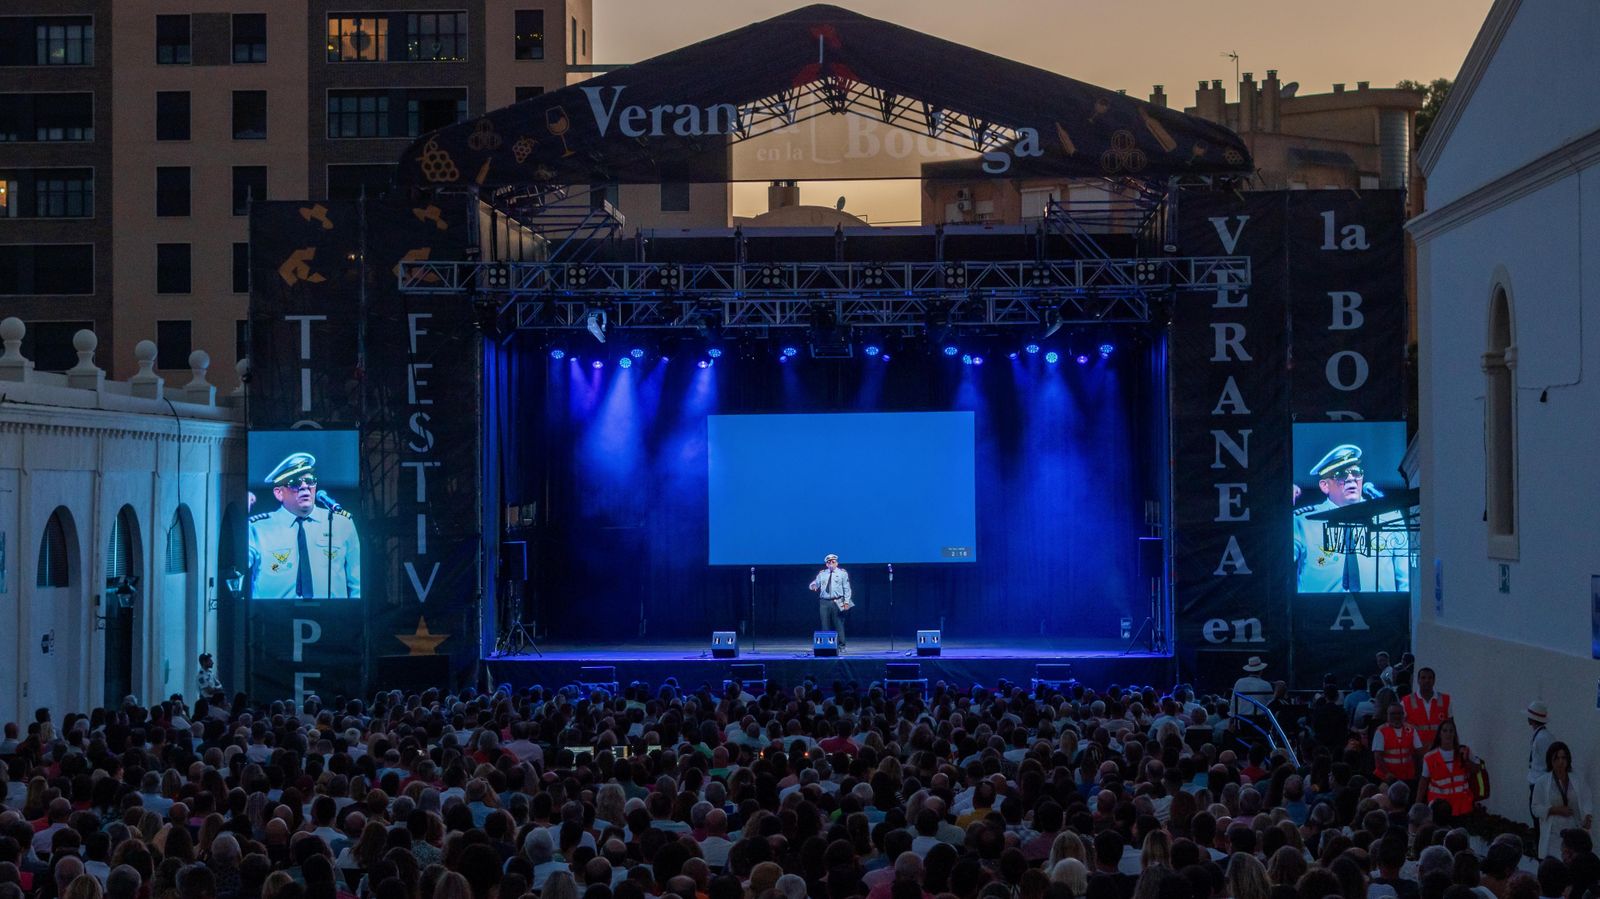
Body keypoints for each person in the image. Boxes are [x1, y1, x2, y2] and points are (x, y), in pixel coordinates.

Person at [1293, 444, 1409, 592]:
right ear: (1325, 486)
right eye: (1341, 475)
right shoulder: (1304, 521)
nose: (1351, 479)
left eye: (1356, 472)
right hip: (1320, 611)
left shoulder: (1388, 517)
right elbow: (1278, 564)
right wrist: (1280, 510)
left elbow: (1406, 579)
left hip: (1381, 611)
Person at [248, 452, 360, 599]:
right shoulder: (258, 528)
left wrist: (352, 617)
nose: (305, 487)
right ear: (279, 493)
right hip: (275, 617)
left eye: (310, 480)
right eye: (295, 483)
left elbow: (357, 582)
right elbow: (237, 572)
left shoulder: (341, 524)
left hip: (331, 616)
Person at [1533, 742, 1592, 861]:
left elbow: (1586, 800)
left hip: (1573, 831)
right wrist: (1554, 810)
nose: (1561, 762)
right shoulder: (1542, 782)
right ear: (1551, 760)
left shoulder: (1577, 779)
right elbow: (1535, 808)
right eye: (1557, 758)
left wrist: (1587, 816)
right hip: (1553, 835)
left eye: (1563, 758)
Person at [1418, 718, 1477, 821]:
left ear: (1455, 734)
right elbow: (1424, 781)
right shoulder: (1430, 757)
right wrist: (1418, 803)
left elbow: (1476, 770)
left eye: (1451, 731)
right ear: (1439, 734)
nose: (1448, 734)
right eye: (1445, 731)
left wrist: (1466, 760)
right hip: (1439, 807)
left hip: (1462, 806)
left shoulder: (1464, 751)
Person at [1371, 701, 1422, 784]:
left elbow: (1419, 753)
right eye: (1393, 714)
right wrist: (1387, 773)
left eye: (1399, 713)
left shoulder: (1411, 730)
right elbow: (1377, 756)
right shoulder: (1381, 731)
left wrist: (1418, 772)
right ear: (1387, 715)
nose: (1396, 716)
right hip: (1388, 778)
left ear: (1403, 715)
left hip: (1407, 777)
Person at [808, 553, 852, 649]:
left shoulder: (842, 573)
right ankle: (827, 645)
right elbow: (816, 583)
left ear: (837, 563)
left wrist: (846, 602)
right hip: (824, 602)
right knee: (825, 624)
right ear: (826, 564)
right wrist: (813, 585)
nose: (831, 564)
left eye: (833, 562)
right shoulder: (822, 574)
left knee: (838, 624)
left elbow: (847, 588)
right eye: (829, 562)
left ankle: (841, 646)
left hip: (837, 601)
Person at [1528, 701, 1554, 848]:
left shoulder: (1543, 738)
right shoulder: (1541, 736)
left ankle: (1542, 852)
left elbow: (1549, 762)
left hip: (1540, 784)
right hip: (1537, 783)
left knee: (1539, 822)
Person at [1403, 667, 1452, 747]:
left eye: (1430, 678)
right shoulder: (1406, 701)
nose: (1427, 680)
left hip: (1438, 748)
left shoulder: (1445, 700)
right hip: (1415, 749)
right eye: (1423, 678)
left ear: (1434, 680)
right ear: (1418, 680)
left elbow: (1450, 725)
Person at [1229, 656, 1274, 733]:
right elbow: (1271, 704)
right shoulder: (1266, 685)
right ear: (1261, 670)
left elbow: (1233, 703)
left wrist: (1231, 721)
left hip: (1243, 720)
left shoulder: (1239, 682)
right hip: (1261, 721)